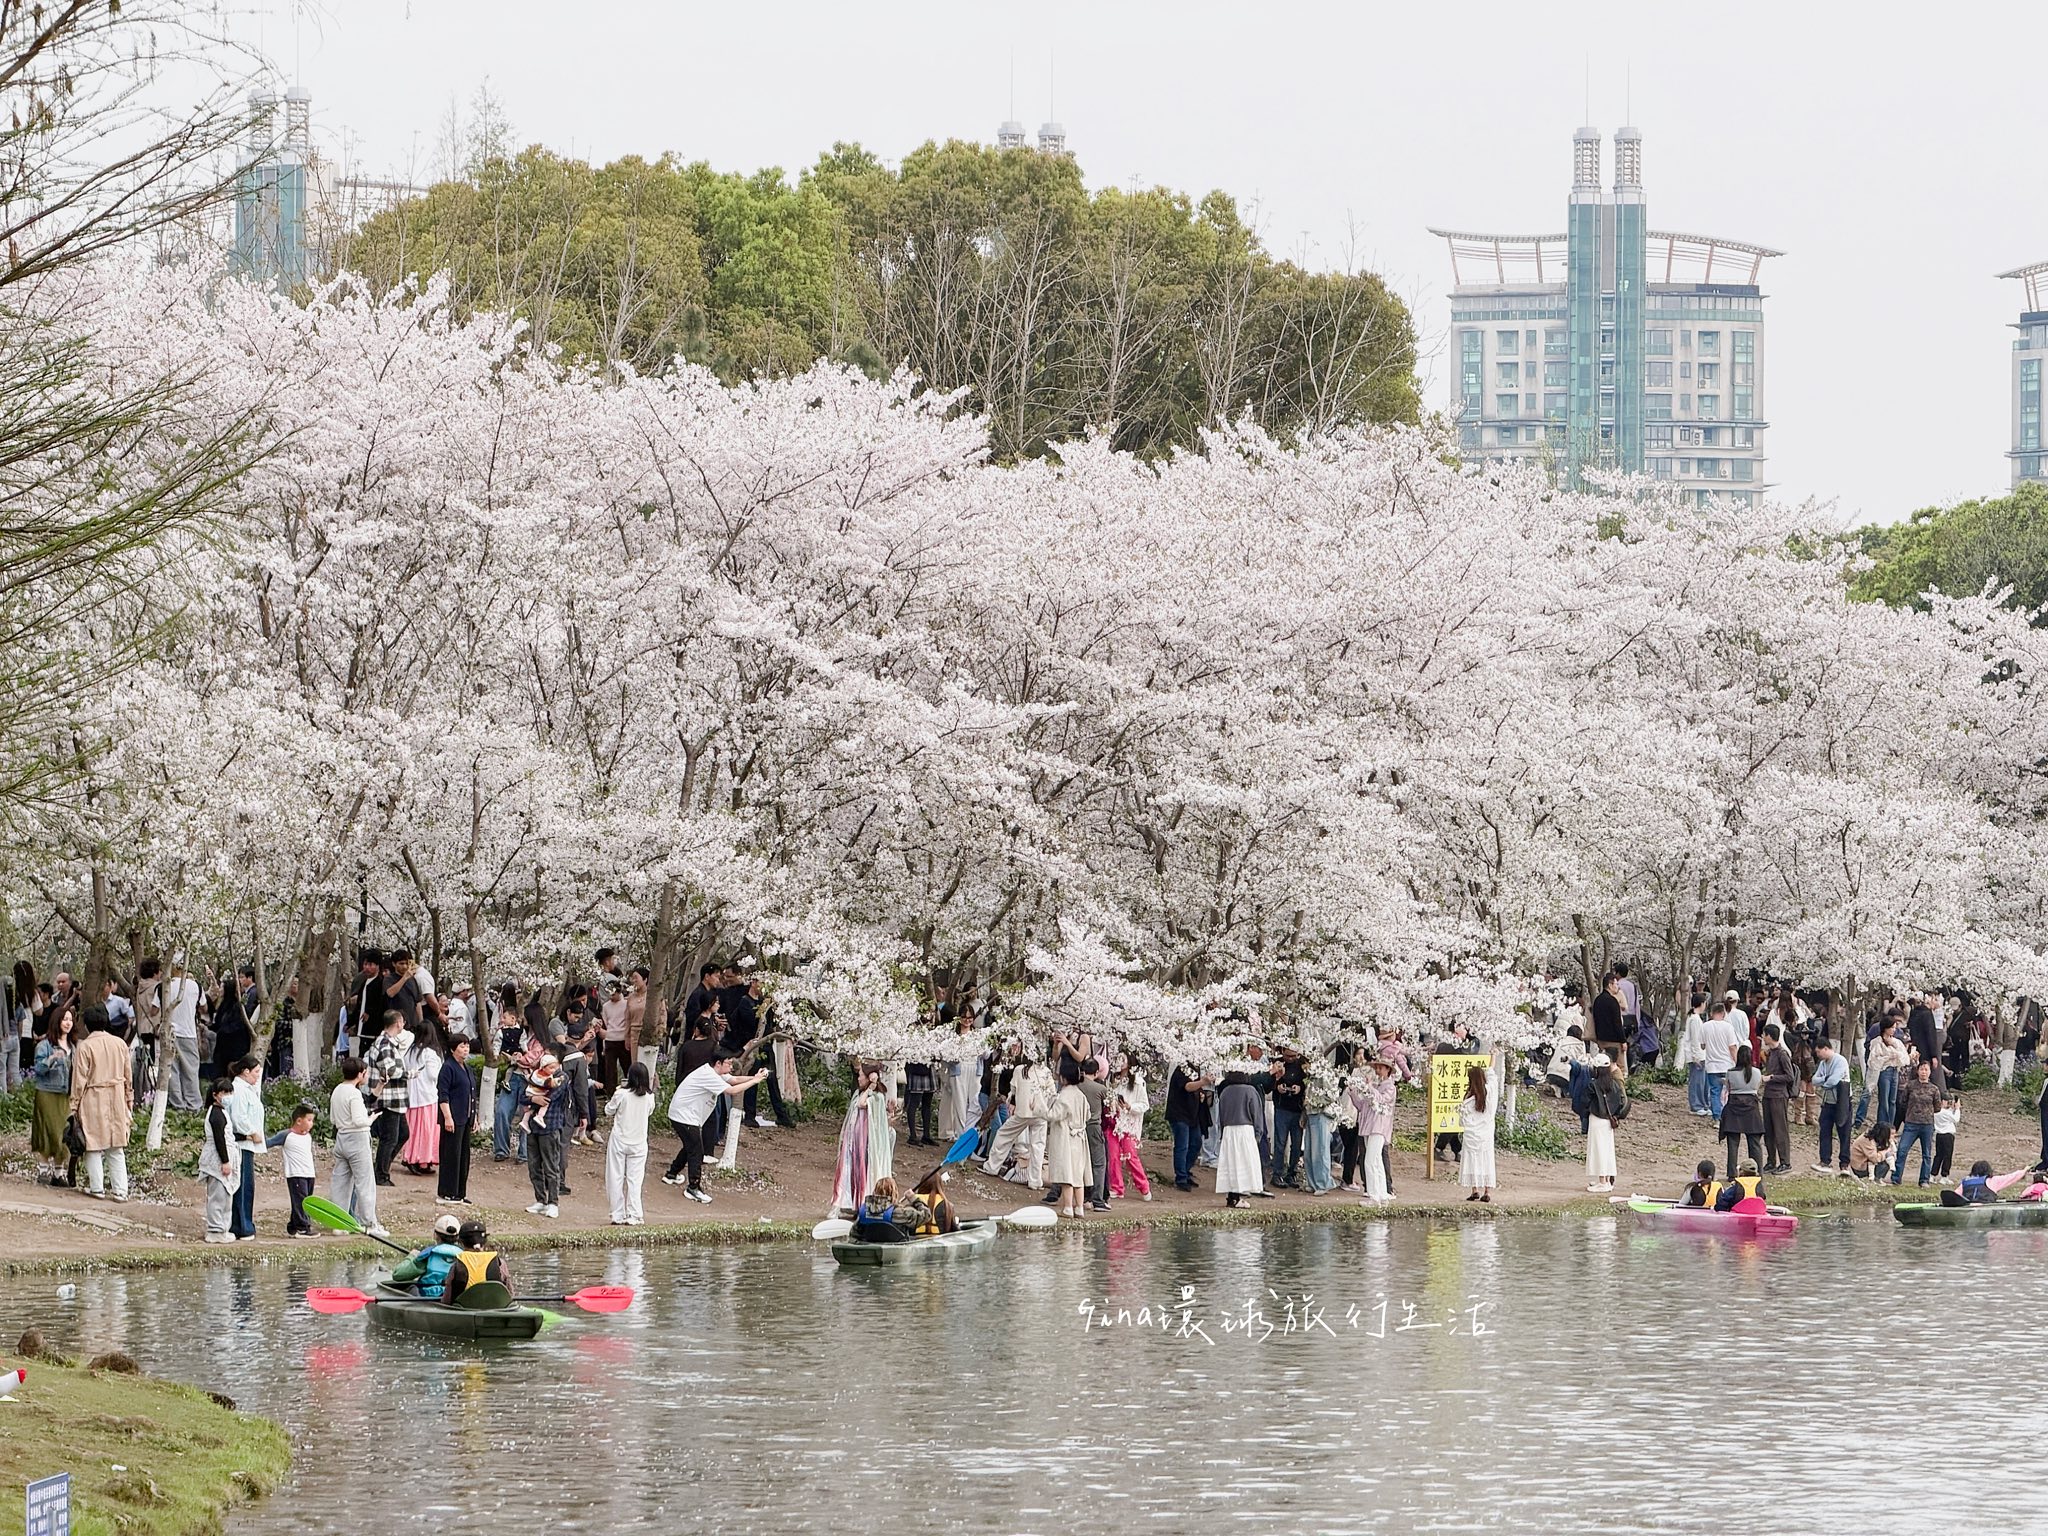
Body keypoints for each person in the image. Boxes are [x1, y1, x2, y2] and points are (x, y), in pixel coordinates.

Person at [667, 1049, 767, 1205]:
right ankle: (693, 1187)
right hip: (684, 1116)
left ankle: (671, 1174)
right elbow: (732, 1090)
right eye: (728, 1063)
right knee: (697, 1151)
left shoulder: (715, 1072)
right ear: (718, 1063)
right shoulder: (709, 1076)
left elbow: (734, 1080)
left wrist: (756, 1077)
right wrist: (754, 1082)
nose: (731, 1066)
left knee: (690, 1146)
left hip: (685, 1115)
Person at [70, 1006, 133, 1201]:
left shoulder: (85, 1047)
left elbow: (79, 1080)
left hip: (93, 1096)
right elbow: (128, 1076)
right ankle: (121, 1191)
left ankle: (97, 1188)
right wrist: (129, 1100)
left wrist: (74, 1106)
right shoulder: (120, 1044)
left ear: (86, 1025)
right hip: (116, 1096)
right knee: (116, 1146)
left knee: (93, 1145)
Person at [328, 1056, 385, 1236]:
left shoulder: (338, 1090)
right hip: (357, 1139)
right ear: (360, 1074)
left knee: (341, 1182)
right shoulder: (354, 1093)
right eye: (365, 1073)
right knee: (365, 1182)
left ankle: (339, 1223)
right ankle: (370, 1223)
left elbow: (333, 1118)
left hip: (341, 1137)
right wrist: (371, 1119)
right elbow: (359, 1120)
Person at [982, 1055, 1051, 1188]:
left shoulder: (1020, 1069)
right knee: (1038, 1146)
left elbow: (1013, 1090)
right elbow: (1052, 1093)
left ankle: (992, 1167)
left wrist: (1011, 1102)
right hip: (1041, 1113)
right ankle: (1035, 1181)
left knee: (1004, 1134)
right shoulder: (1046, 1071)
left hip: (1023, 1112)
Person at [29, 1002, 75, 1185]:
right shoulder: (45, 1045)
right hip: (47, 1092)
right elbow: (38, 1069)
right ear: (57, 1021)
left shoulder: (73, 1046)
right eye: (64, 1019)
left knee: (63, 1133)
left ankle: (58, 1172)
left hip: (65, 1095)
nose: (68, 1023)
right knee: (47, 1131)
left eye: (70, 1020)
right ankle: (43, 1170)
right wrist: (52, 1058)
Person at [365, 1010, 413, 1186]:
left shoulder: (388, 1042)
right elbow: (390, 1071)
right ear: (398, 1023)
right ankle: (381, 1174)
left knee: (402, 1134)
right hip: (388, 1098)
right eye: (402, 1022)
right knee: (390, 1138)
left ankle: (381, 1167)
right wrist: (410, 1074)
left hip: (395, 1098)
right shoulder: (385, 1043)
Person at [605, 1062, 655, 1225]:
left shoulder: (621, 1094)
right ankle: (634, 1214)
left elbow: (608, 1110)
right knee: (635, 1179)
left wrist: (617, 1092)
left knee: (615, 1176)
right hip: (639, 1142)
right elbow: (649, 1112)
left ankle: (617, 1214)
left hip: (620, 1139)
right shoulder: (649, 1097)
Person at [1045, 1057, 1091, 1219]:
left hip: (1066, 1138)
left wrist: (1041, 1107)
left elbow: (1053, 1115)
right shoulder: (1081, 1095)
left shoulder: (1064, 1096)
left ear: (1064, 1078)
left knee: (1067, 1175)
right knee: (1078, 1175)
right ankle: (1079, 1208)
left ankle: (1068, 1207)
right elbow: (1088, 1115)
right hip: (1079, 1138)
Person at [1214, 1069, 1267, 1208]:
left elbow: (1221, 1115)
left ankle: (1232, 1196)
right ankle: (1238, 1195)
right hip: (1245, 1130)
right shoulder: (1250, 1091)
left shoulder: (1225, 1092)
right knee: (1244, 1162)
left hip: (1228, 1130)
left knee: (1231, 1163)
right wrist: (1258, 1133)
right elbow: (1257, 1113)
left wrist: (1222, 1132)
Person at [226, 1056, 265, 1240]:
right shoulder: (239, 1090)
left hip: (248, 1144)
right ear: (245, 1071)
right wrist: (251, 1132)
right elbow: (239, 1117)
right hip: (242, 1144)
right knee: (241, 1186)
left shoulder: (248, 1089)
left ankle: (244, 1223)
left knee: (247, 1186)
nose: (258, 1076)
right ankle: (241, 1226)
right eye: (256, 1072)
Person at [199, 1076, 239, 1243]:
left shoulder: (222, 1112)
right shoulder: (216, 1114)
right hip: (217, 1160)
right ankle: (215, 1230)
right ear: (215, 1095)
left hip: (225, 1157)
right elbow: (219, 1139)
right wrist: (225, 1161)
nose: (228, 1096)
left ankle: (223, 1228)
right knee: (218, 1196)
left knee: (226, 1195)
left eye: (230, 1092)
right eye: (224, 1093)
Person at [436, 1035, 475, 1204]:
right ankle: (447, 1192)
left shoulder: (467, 1068)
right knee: (450, 1155)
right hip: (452, 1117)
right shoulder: (448, 1067)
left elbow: (471, 1093)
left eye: (467, 1046)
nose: (465, 1050)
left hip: (465, 1118)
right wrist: (447, 1117)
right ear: (453, 1049)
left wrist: (474, 1117)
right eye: (461, 1046)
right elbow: (443, 1094)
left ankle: (460, 1192)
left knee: (463, 1156)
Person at [401, 1019, 443, 1175]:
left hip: (411, 1096)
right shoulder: (430, 1053)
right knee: (426, 1130)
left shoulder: (409, 1052)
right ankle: (422, 1160)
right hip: (427, 1097)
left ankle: (410, 1157)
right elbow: (434, 1075)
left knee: (413, 1129)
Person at [1354, 1057, 1398, 1205]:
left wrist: (1369, 1087)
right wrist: (1352, 1093)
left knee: (1370, 1160)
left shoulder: (1390, 1087)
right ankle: (1382, 1194)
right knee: (1376, 1161)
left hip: (1379, 1127)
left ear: (1388, 1070)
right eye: (1377, 1068)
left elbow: (1382, 1100)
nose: (1378, 1071)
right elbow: (1362, 1106)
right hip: (1370, 1126)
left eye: (1381, 1068)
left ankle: (1374, 1196)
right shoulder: (1376, 1086)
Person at [1892, 1061, 1942, 1188]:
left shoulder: (1934, 1089)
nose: (1924, 1072)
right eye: (1921, 1069)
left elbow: (1937, 1107)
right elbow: (1903, 1102)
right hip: (1911, 1123)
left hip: (1927, 1124)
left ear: (1929, 1072)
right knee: (1902, 1150)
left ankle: (1924, 1180)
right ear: (1918, 1071)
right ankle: (1896, 1178)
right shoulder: (1910, 1085)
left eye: (1926, 1069)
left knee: (1926, 1154)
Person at [1719, 1044, 1766, 1180]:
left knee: (1733, 1143)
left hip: (1734, 1106)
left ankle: (1732, 1173)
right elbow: (1757, 1087)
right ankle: (1757, 1172)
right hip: (1751, 1107)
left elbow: (1728, 1088)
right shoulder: (1757, 1073)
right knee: (1754, 1143)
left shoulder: (1731, 1073)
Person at [1107, 1058, 1152, 1200]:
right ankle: (1117, 1187)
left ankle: (1144, 1187)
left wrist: (1130, 1106)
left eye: (1123, 1059)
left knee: (1130, 1156)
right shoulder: (1113, 1079)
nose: (1119, 1062)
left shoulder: (1138, 1081)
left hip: (1129, 1124)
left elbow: (1144, 1105)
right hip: (1114, 1122)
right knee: (1113, 1155)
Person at [392, 1214, 465, 1297]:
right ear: (458, 1237)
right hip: (452, 1297)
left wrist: (411, 1257)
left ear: (435, 1235)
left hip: (427, 1296)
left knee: (412, 1288)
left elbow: (397, 1275)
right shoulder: (464, 1256)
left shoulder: (427, 1255)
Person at [1165, 1058, 1210, 1192]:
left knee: (1196, 1143)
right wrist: (1203, 1082)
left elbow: (1195, 1087)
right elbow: (1188, 1086)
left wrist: (1201, 1092)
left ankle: (1185, 1170)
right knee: (1182, 1146)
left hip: (1192, 1114)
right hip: (1179, 1113)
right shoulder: (1182, 1068)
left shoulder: (1196, 1069)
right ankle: (1181, 1178)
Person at [1810, 1038, 1852, 1175]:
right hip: (1828, 1102)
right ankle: (1825, 1161)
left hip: (1842, 1101)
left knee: (1844, 1132)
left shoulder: (1840, 1061)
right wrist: (1826, 1079)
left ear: (1826, 1049)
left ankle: (1844, 1164)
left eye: (1818, 1052)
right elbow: (1814, 1080)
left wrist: (1824, 1081)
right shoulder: (1823, 1063)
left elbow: (1833, 1081)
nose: (1818, 1055)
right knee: (1824, 1131)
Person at [275, 1102, 318, 1236]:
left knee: (306, 1200)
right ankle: (302, 1227)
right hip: (296, 1174)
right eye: (309, 1120)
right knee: (301, 1201)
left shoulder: (307, 1136)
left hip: (309, 1173)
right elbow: (268, 1142)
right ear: (299, 1121)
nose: (311, 1124)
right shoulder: (286, 1135)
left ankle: (293, 1225)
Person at [1458, 1060, 1498, 1203]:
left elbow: (1462, 1120)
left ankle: (1474, 1190)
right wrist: (1493, 1056)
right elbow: (1491, 1073)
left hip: (1471, 1135)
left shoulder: (1468, 1099)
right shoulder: (1490, 1092)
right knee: (1486, 1160)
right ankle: (1487, 1191)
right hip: (1486, 1134)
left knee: (1472, 1161)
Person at [1759, 1023, 1796, 1175]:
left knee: (1780, 1129)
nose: (1763, 1037)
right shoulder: (1770, 1053)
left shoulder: (1782, 1054)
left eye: (1764, 1034)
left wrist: (1772, 1078)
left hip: (1779, 1096)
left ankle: (1785, 1162)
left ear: (1770, 1036)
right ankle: (1771, 1161)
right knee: (1768, 1130)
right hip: (1768, 1095)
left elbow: (1789, 1076)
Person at [1584, 1053, 1624, 1193]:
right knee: (1607, 1150)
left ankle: (1602, 1182)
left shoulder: (1593, 1085)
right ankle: (1606, 1180)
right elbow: (1621, 1102)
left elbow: (1585, 1102)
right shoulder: (1614, 1084)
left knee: (1598, 1150)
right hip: (1609, 1122)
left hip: (1596, 1119)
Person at [1269, 1046, 1307, 1189]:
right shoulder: (1277, 1063)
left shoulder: (1303, 1064)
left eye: (1293, 1056)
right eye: (1287, 1056)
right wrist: (1277, 1086)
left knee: (1296, 1145)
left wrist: (1300, 1088)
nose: (1290, 1059)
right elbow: (1270, 1082)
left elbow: (1308, 1083)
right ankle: (1277, 1174)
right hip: (1282, 1108)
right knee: (1280, 1143)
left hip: (1297, 1109)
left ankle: (1292, 1173)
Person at [1078, 1055, 1111, 1211]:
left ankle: (1080, 1197)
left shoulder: (1075, 1086)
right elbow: (1112, 1104)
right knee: (1098, 1164)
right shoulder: (1100, 1089)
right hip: (1094, 1128)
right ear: (1097, 1073)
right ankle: (1098, 1200)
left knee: (1077, 1162)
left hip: (1077, 1127)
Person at [1930, 1094, 1962, 1185]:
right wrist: (1957, 1109)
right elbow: (1956, 1119)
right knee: (1947, 1156)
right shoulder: (1944, 1112)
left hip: (1939, 1135)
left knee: (1939, 1155)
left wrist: (1952, 1109)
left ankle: (1933, 1174)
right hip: (1948, 1135)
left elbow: (1948, 1116)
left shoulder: (1936, 1112)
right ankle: (1944, 1176)